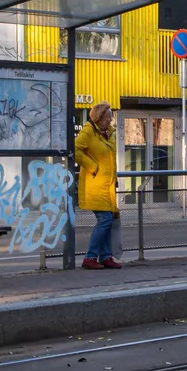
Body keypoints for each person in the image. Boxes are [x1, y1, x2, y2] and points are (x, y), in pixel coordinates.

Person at [75, 102, 120, 270]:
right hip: (95, 184)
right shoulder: (88, 131)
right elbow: (76, 149)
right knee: (105, 219)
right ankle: (91, 257)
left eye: (111, 117)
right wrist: (93, 167)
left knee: (108, 220)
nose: (111, 120)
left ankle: (105, 256)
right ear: (99, 117)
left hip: (107, 186)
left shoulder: (109, 134)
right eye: (108, 117)